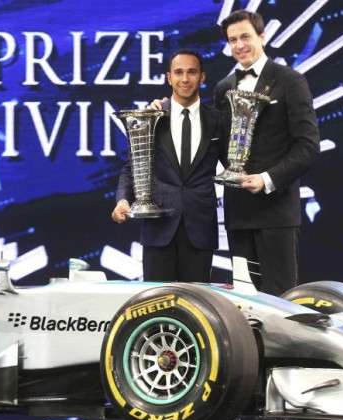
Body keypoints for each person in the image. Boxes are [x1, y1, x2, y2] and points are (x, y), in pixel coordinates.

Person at [215, 10, 321, 295]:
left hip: (276, 213)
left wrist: (267, 179)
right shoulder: (223, 89)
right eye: (232, 39)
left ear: (262, 37)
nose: (239, 45)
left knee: (279, 303)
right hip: (238, 215)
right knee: (244, 303)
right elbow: (217, 145)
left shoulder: (290, 81)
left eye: (245, 37)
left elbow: (308, 147)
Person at [111, 49, 226, 283]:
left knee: (197, 309)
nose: (185, 79)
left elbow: (234, 165)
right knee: (156, 307)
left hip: (200, 228)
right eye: (179, 72)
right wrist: (123, 200)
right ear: (169, 77)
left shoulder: (217, 120)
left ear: (202, 77)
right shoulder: (151, 118)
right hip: (158, 228)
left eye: (192, 72)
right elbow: (132, 166)